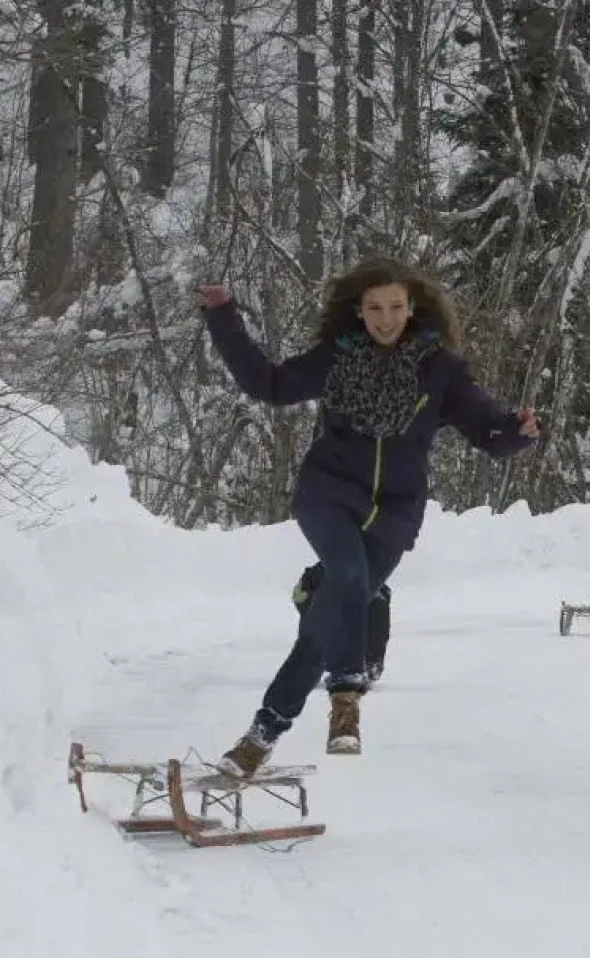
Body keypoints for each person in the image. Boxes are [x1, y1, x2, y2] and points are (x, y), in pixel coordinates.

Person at [195, 258, 539, 775]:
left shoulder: (438, 369)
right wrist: (223, 316)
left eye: (396, 307)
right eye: (374, 308)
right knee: (349, 577)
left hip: (394, 514)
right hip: (329, 493)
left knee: (323, 623)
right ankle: (346, 700)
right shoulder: (337, 358)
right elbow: (268, 384)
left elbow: (488, 433)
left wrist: (517, 431)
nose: (385, 318)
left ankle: (260, 735)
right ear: (358, 310)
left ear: (412, 307)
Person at [292, 562, 390, 686]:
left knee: (376, 599)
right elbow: (301, 597)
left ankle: (370, 663)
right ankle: (310, 662)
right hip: (316, 588)